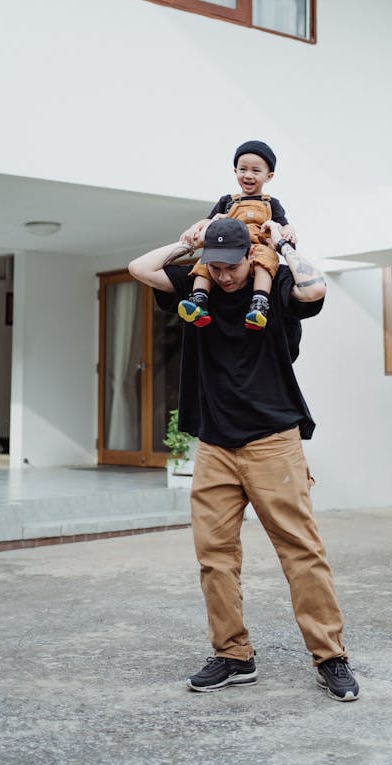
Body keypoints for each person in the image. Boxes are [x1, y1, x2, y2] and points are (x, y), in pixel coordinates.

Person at [128, 216, 360, 702]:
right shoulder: (196, 287)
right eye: (216, 266)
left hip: (273, 440)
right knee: (214, 557)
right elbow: (138, 267)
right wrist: (185, 242)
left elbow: (314, 290)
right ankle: (233, 654)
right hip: (214, 444)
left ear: (248, 258)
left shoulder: (272, 284)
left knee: (301, 552)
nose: (225, 275)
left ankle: (330, 657)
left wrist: (282, 246)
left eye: (232, 266)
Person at [177, 139, 297, 331]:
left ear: (269, 176)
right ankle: (199, 300)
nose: (248, 175)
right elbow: (208, 220)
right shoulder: (227, 201)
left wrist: (288, 230)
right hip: (226, 248)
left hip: (257, 246)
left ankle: (259, 304)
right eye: (243, 169)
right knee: (205, 263)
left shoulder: (271, 203)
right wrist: (194, 228)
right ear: (235, 171)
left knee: (266, 260)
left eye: (256, 171)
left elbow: (282, 224)